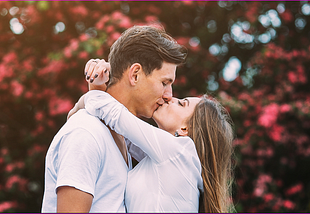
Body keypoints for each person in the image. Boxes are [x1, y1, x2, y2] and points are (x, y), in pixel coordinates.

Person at [41, 25, 187, 212]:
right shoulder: (86, 133)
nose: (169, 95)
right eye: (164, 83)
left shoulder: (122, 138)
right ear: (135, 75)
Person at [70, 59, 235, 212]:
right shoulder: (169, 161)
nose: (170, 98)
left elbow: (114, 114)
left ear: (185, 129)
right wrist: (112, 81)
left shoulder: (179, 152)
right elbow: (120, 134)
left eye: (182, 103)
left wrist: (82, 103)